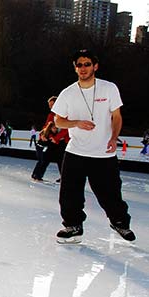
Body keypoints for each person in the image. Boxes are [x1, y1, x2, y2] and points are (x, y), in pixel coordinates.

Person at [52, 48, 135, 243]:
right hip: (76, 151)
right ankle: (73, 226)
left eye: (87, 64)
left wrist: (114, 137)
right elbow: (58, 121)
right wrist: (76, 123)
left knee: (110, 193)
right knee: (70, 193)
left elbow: (116, 116)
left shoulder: (109, 88)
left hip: (103, 153)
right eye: (79, 64)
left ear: (95, 66)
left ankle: (120, 222)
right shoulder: (68, 93)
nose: (83, 68)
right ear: (75, 68)